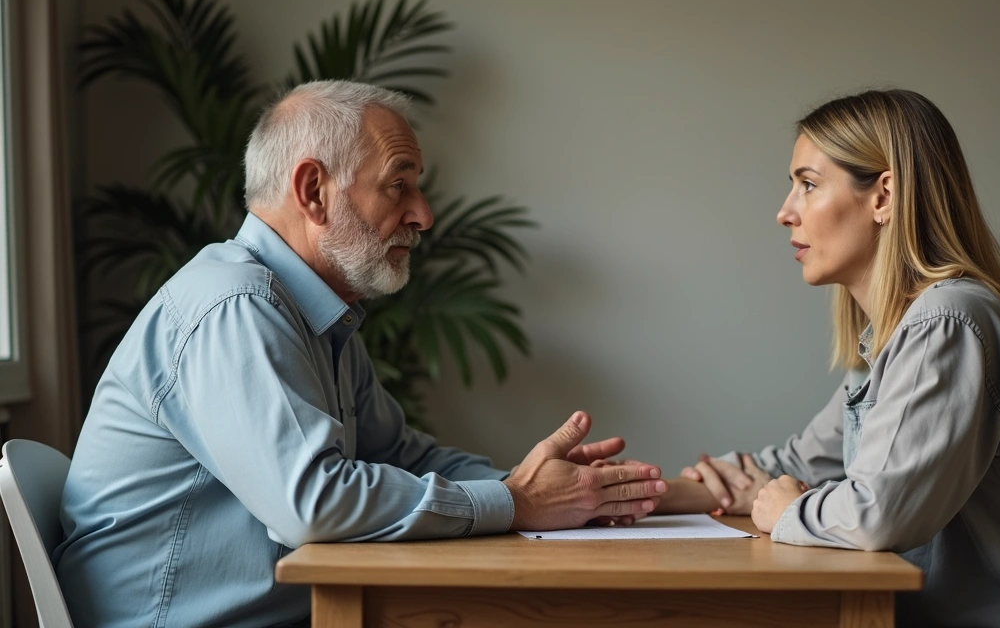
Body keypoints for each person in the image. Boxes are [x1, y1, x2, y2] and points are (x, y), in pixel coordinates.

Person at [54, 80, 666, 628]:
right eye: (398, 185)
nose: (423, 215)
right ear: (313, 190)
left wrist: (559, 488)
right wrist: (520, 501)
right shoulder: (235, 306)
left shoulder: (313, 313)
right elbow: (314, 506)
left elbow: (400, 454)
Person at [657, 89, 1000, 628]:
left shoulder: (947, 323)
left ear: (883, 196)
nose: (784, 212)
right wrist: (634, 496)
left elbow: (877, 515)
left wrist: (787, 510)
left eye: (807, 185)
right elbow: (793, 466)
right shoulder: (904, 334)